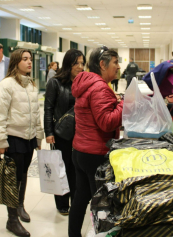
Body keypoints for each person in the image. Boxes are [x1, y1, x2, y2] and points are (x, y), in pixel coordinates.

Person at [69, 47, 123, 237]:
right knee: (101, 205)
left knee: (80, 198)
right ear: (102, 64)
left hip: (80, 150)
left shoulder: (87, 83)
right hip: (94, 154)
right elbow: (106, 122)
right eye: (115, 62)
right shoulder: (99, 87)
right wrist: (125, 104)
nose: (118, 67)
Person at [0, 49, 44, 237]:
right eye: (25, 59)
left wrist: (39, 136)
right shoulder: (6, 85)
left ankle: (19, 206)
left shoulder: (31, 85)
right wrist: (1, 140)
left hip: (28, 139)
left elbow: (36, 114)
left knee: (23, 173)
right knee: (13, 179)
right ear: (15, 62)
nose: (29, 62)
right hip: (13, 138)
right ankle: (11, 220)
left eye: (30, 59)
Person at [44, 49, 85, 216]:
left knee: (76, 168)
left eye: (83, 63)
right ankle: (62, 202)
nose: (81, 67)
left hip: (80, 132)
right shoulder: (55, 82)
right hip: (60, 133)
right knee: (61, 168)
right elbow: (48, 108)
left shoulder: (83, 82)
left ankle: (76, 199)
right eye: (77, 63)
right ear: (69, 64)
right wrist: (48, 132)